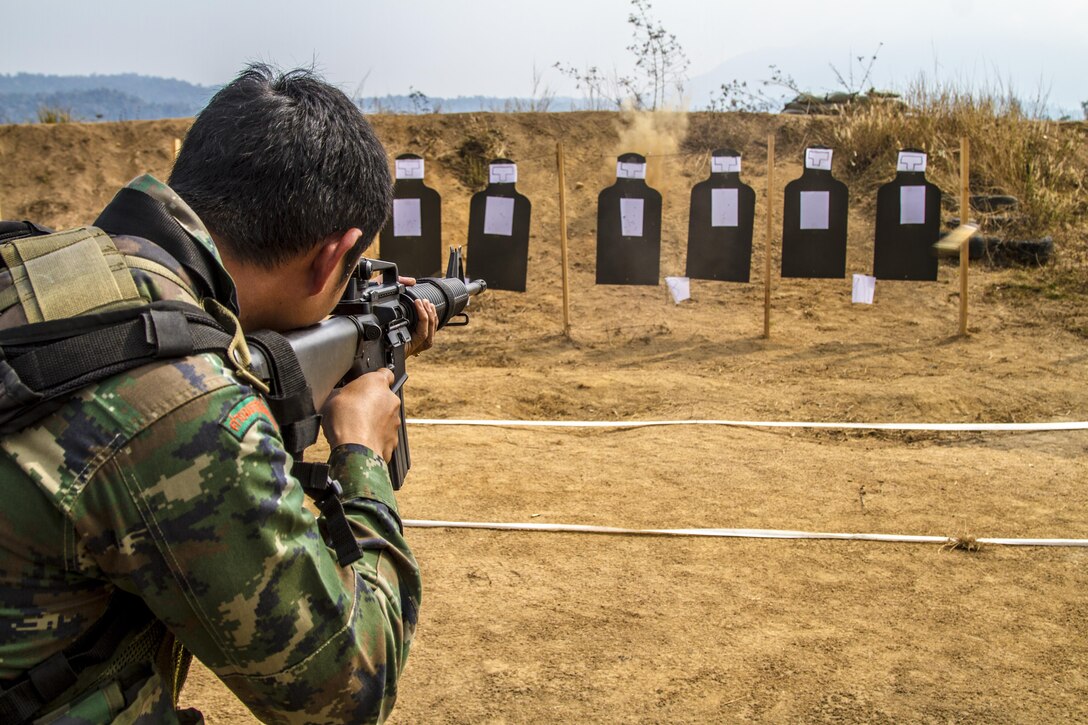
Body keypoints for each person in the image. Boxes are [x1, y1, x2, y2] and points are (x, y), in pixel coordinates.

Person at [0, 64, 433, 724]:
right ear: (332, 256)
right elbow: (346, 693)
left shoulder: (47, 268)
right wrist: (362, 450)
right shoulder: (180, 407)